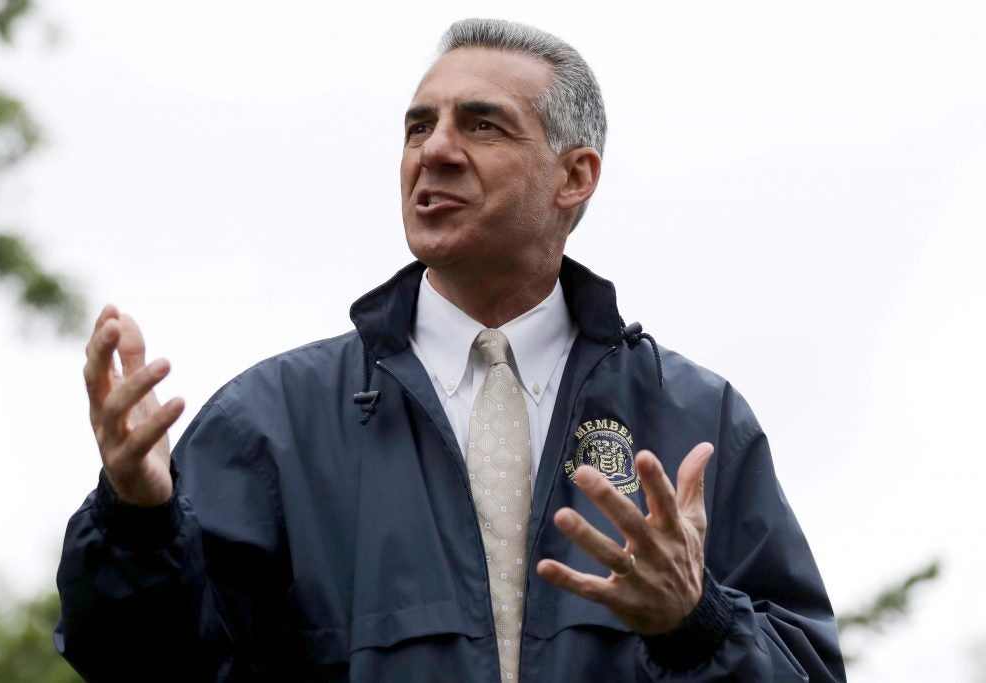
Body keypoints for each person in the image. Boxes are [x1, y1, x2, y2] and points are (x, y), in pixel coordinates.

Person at [56, 18, 846, 682]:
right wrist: (137, 520)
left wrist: (695, 621)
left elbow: (805, 666)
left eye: (481, 123)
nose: (433, 150)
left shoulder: (694, 421)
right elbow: (142, 664)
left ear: (574, 176)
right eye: (417, 126)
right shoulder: (272, 422)